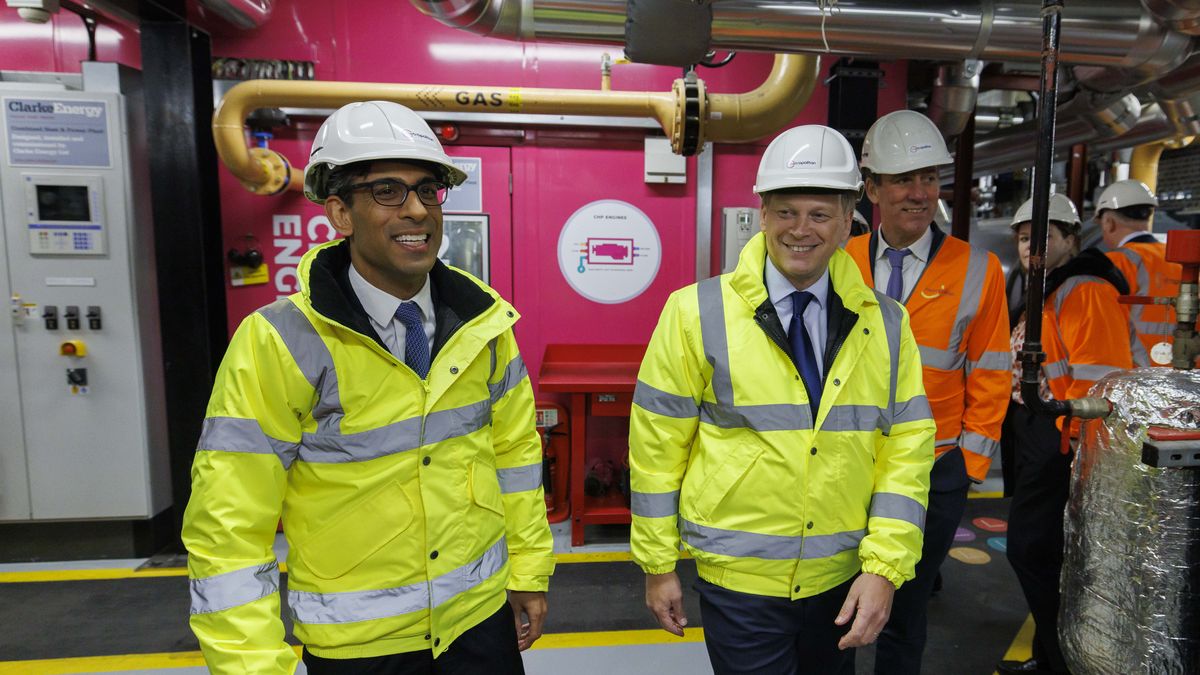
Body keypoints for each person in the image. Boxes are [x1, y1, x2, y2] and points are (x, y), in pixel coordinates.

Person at [182, 101, 555, 674]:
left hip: (478, 623)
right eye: (387, 191)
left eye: (427, 190)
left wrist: (528, 570)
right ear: (340, 212)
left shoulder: (484, 326)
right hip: (360, 647)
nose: (417, 209)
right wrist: (251, 666)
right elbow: (228, 525)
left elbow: (515, 458)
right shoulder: (280, 341)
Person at [629, 124, 936, 675]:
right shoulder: (694, 312)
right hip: (739, 580)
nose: (800, 229)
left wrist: (884, 569)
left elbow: (906, 452)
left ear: (848, 219)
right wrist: (657, 564)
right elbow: (656, 449)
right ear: (763, 214)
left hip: (841, 580)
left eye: (819, 214)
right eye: (786, 212)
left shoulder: (887, 323)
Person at [845, 109, 1010, 675]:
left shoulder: (979, 268)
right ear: (872, 189)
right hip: (848, 465)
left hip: (934, 467)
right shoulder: (841, 262)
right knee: (832, 602)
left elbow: (992, 370)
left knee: (905, 607)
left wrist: (969, 463)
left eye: (929, 178)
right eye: (902, 180)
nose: (919, 193)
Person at [999, 193, 1132, 675]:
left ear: (1072, 239)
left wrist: (1077, 442)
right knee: (1047, 551)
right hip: (1037, 428)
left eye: (1042, 236)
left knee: (1031, 548)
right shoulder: (1046, 286)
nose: (1029, 247)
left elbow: (1101, 377)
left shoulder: (1084, 289)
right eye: (1022, 238)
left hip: (1059, 436)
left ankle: (1061, 661)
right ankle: (1048, 655)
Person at [1097, 179, 1189, 367]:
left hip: (1135, 376)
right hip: (1188, 374)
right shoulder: (1183, 262)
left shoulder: (1113, 263)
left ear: (1108, 223)